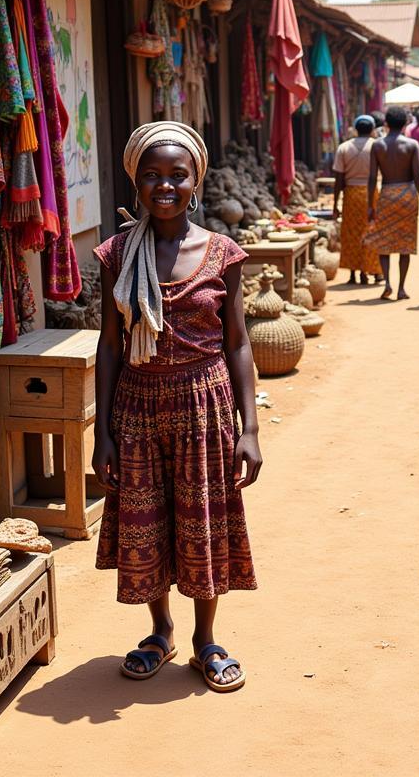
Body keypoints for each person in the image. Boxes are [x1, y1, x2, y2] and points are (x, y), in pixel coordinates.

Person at [93, 121, 261, 692]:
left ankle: (205, 640)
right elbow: (110, 345)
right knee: (147, 525)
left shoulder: (222, 254)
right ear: (135, 181)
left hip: (205, 410)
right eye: (152, 175)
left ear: (196, 182)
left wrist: (251, 428)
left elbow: (237, 342)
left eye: (177, 176)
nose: (164, 186)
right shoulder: (116, 254)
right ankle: (161, 630)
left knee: (202, 522)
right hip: (137, 408)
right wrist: (102, 434)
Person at [365, 104, 419, 300]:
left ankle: (388, 284)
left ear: (386, 123)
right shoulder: (411, 145)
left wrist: (370, 204)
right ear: (405, 123)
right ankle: (401, 288)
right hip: (407, 195)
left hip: (387, 195)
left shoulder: (377, 145)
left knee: (384, 242)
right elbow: (417, 174)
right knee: (405, 243)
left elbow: (372, 177)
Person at [333, 115, 383, 285]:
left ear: (355, 129)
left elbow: (338, 179)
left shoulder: (343, 148)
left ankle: (354, 273)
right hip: (371, 193)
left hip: (351, 194)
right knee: (372, 231)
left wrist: (335, 204)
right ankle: (374, 271)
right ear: (372, 130)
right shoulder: (377, 146)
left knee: (351, 233)